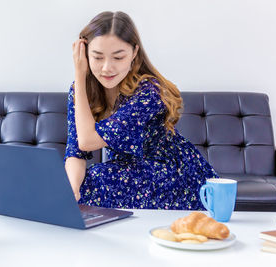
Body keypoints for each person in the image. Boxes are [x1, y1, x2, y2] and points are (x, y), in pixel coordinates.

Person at [64, 11, 218, 210]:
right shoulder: (81, 91)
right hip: (128, 173)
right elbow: (75, 151)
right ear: (85, 54)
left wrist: (79, 72)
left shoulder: (149, 92)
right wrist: (72, 189)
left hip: (173, 174)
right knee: (76, 184)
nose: (106, 68)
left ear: (134, 53)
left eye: (118, 57)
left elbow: (87, 141)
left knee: (98, 179)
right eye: (97, 57)